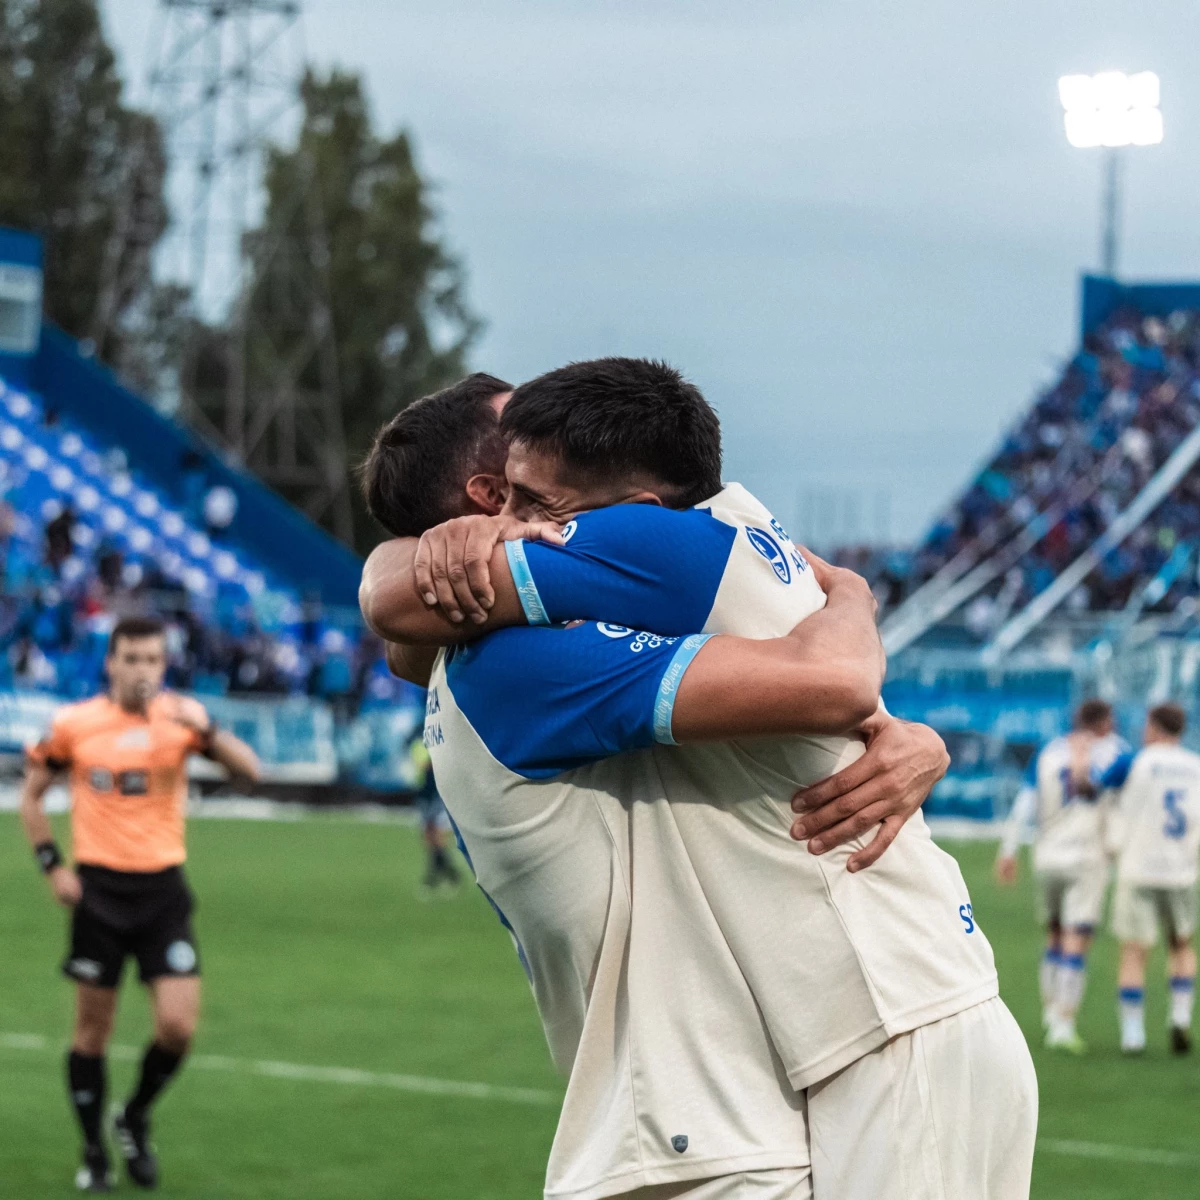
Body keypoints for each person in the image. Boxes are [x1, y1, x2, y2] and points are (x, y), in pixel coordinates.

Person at [361, 359, 1037, 1200]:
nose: (527, 504)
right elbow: (399, 619)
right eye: (515, 483)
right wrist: (857, 609)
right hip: (745, 1094)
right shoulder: (527, 653)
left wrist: (866, 636)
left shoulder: (645, 558)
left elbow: (836, 679)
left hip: (876, 1027)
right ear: (486, 494)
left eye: (539, 493)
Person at [20, 615, 261, 1193]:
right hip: (98, 893)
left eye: (152, 659)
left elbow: (250, 773)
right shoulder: (74, 724)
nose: (141, 670)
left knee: (177, 1028)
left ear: (164, 664)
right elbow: (31, 798)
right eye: (131, 658)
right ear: (110, 663)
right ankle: (93, 1151)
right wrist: (53, 867)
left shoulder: (182, 720)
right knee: (91, 1034)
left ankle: (132, 1116)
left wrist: (208, 728)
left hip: (162, 893)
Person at [995, 699, 1127, 1051]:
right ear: (1105, 722)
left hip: (1047, 856)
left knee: (1053, 933)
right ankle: (1063, 1022)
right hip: (1087, 857)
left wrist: (1008, 850)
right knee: (1076, 937)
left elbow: (1025, 801)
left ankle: (1050, 1011)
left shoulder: (1049, 751)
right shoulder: (1114, 751)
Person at [1100, 703, 1200, 1055]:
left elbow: (1099, 785)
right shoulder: (1195, 765)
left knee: (1133, 951)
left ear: (1155, 727)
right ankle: (1180, 1017)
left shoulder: (1135, 761)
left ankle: (1133, 1035)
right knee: (1181, 945)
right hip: (1181, 870)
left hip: (1139, 867)